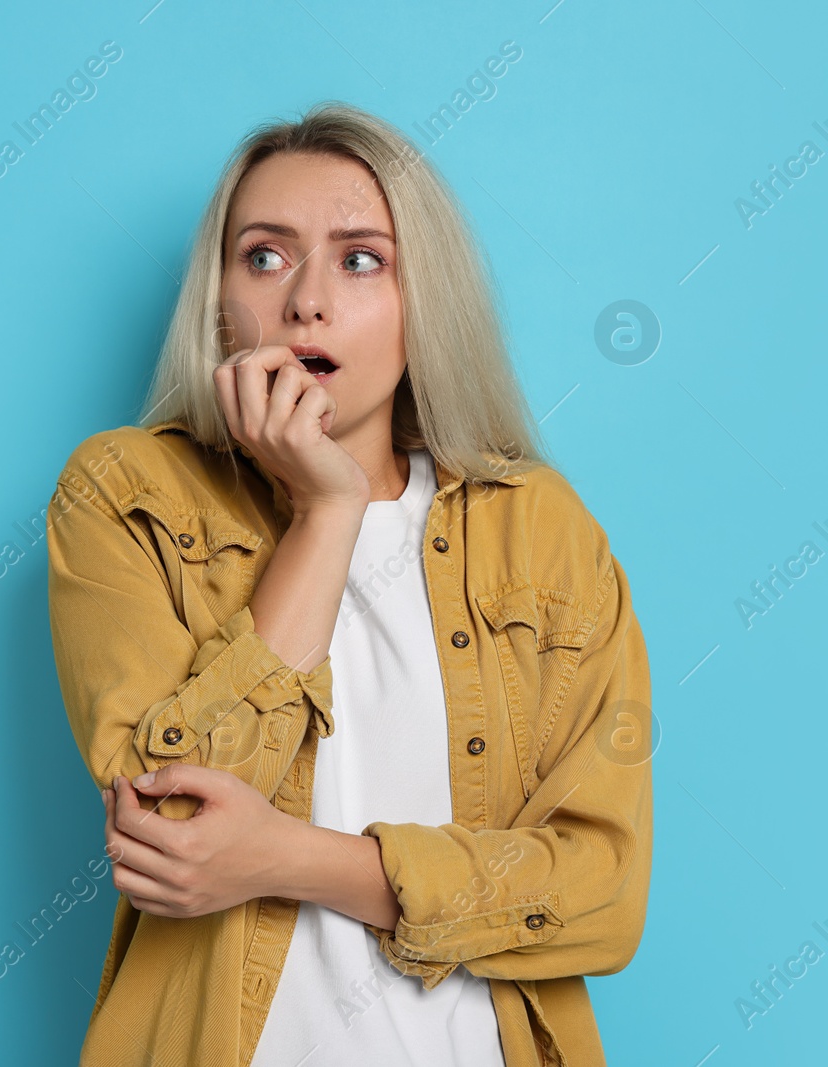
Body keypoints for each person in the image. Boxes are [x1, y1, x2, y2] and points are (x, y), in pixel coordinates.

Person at [44, 101, 653, 1067]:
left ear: (426, 302)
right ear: (218, 306)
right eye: (266, 256)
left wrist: (290, 858)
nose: (306, 302)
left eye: (361, 258)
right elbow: (170, 831)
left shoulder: (539, 530)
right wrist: (326, 514)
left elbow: (602, 890)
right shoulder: (127, 496)